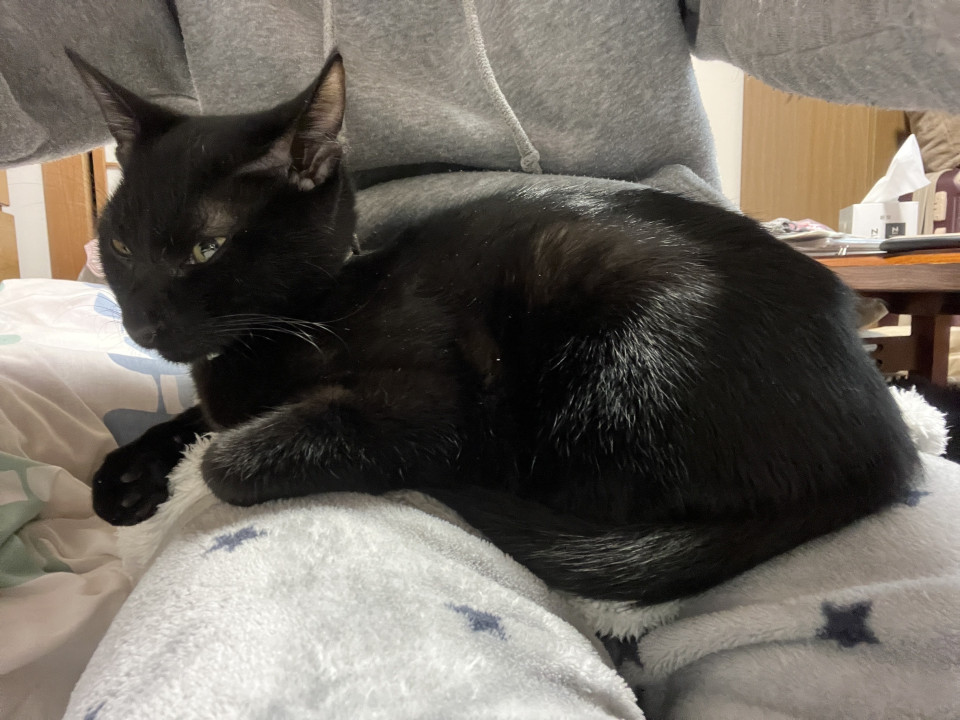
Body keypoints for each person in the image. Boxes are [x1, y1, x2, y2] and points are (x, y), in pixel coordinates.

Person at [3, 2, 960, 719]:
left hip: (661, 321)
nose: (140, 305)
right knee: (267, 663)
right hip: (508, 345)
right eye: (122, 253)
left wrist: (235, 453)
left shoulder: (353, 298)